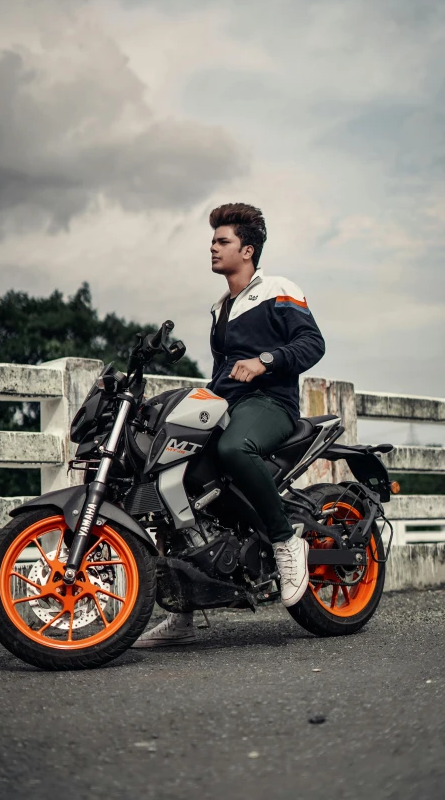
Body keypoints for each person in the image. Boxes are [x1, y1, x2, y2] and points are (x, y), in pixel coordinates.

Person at [133, 203, 325, 647]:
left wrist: (265, 362)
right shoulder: (220, 307)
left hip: (270, 403)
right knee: (177, 481)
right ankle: (183, 610)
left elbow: (312, 343)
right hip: (227, 404)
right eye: (213, 241)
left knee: (235, 450)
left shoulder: (277, 288)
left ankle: (285, 540)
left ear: (248, 249)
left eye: (223, 241)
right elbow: (220, 375)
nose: (213, 248)